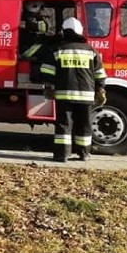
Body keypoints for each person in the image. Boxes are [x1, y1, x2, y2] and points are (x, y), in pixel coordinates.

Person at [40, 17, 107, 162]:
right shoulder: (91, 51)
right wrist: (100, 89)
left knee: (64, 125)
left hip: (65, 95)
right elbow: (100, 74)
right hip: (86, 96)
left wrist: (49, 88)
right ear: (80, 31)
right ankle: (84, 154)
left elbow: (47, 72)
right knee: (84, 125)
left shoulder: (57, 50)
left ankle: (62, 155)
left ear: (64, 31)